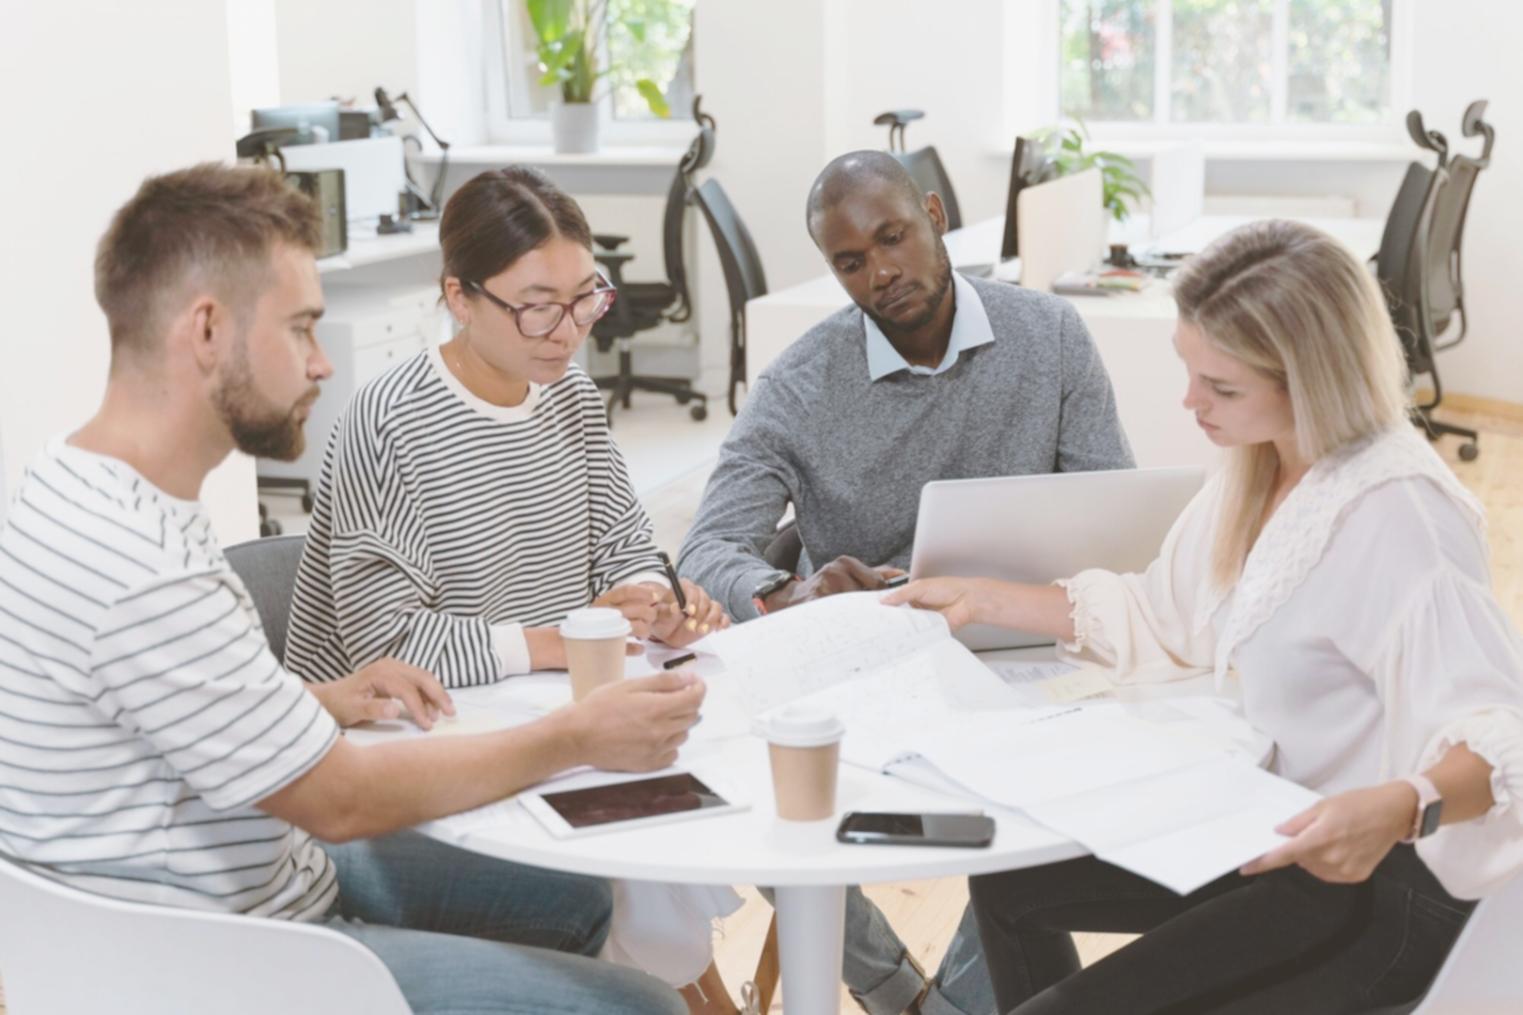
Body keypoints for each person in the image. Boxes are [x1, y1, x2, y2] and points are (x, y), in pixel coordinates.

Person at [0, 163, 700, 1015]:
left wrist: (321, 696)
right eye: (301, 328)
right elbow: (342, 800)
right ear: (208, 330)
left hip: (253, 876)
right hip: (212, 957)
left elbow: (168, 704)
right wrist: (574, 735)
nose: (322, 363)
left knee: (572, 895)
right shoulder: (144, 564)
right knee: (645, 1007)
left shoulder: (75, 482)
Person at [886, 219, 1523, 1014]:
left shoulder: (1400, 515)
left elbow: (1501, 735)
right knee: (1010, 881)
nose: (1190, 403)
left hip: (1378, 880)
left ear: (1311, 379)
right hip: (1275, 823)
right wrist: (983, 598)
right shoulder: (1264, 462)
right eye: (1189, 371)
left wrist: (1404, 802)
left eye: (1221, 388)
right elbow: (1170, 611)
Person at [679, 151, 1135, 1014]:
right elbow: (705, 549)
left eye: (892, 238)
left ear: (932, 214)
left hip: (1021, 651)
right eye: (851, 261)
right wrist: (787, 593)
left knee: (1096, 778)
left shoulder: (1048, 335)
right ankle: (900, 994)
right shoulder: (800, 383)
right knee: (746, 785)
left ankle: (955, 998)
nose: (880, 272)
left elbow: (1111, 510)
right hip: (869, 669)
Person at [282, 165, 740, 1014]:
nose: (566, 332)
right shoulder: (389, 422)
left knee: (681, 794)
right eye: (536, 306)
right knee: (637, 850)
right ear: (458, 296)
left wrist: (654, 600)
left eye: (583, 299)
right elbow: (388, 646)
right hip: (397, 747)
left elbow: (623, 541)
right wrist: (556, 643)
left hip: (524, 711)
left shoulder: (569, 395)